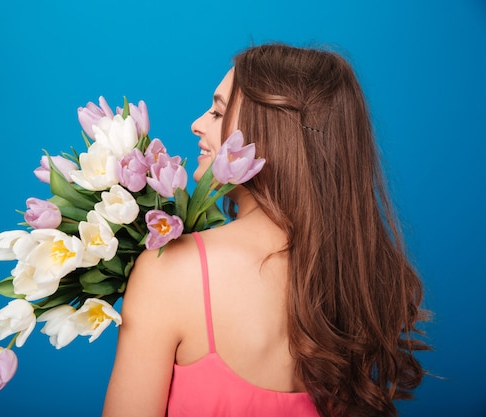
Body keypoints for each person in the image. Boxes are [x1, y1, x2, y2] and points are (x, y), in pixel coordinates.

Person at [102, 43, 430, 417]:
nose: (197, 123)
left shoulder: (170, 271)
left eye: (217, 111)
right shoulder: (356, 279)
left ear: (270, 135)